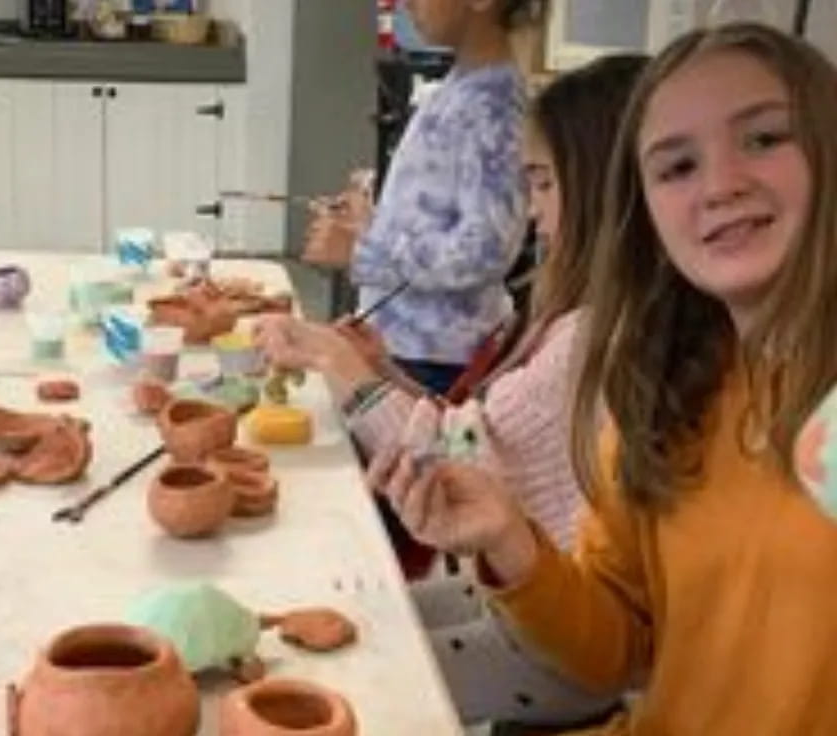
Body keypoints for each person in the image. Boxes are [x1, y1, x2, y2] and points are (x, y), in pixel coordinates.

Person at [371, 23, 837, 735]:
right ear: (643, 209)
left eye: (765, 138)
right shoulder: (662, 390)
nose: (720, 185)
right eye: (676, 167)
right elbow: (617, 649)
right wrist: (509, 538)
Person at [255, 54, 649, 729]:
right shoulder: (579, 320)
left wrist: (335, 361)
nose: (532, 214)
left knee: (338, 679)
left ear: (602, 189)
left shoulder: (593, 341)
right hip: (517, 602)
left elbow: (456, 468)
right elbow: (474, 425)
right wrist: (379, 369)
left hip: (554, 644)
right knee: (322, 624)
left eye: (545, 185)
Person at [304, 0, 544, 396]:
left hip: (434, 361)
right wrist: (371, 220)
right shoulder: (463, 83)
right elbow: (437, 212)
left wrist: (364, 252)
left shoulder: (495, 107)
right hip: (400, 346)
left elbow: (485, 250)